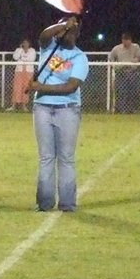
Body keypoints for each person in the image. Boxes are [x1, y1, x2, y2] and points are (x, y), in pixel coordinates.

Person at [27, 16, 88, 212]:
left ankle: (67, 203)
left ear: (76, 34)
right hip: (42, 108)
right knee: (46, 158)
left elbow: (71, 87)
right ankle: (44, 203)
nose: (63, 33)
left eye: (69, 30)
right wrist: (62, 25)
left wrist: (41, 87)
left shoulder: (80, 58)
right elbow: (43, 35)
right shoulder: (49, 46)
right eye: (61, 30)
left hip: (68, 109)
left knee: (66, 158)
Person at [107, 31, 140, 113]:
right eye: (124, 40)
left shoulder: (136, 47)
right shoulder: (117, 48)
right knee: (121, 91)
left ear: (130, 40)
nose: (125, 42)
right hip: (120, 72)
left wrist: (132, 62)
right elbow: (111, 58)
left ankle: (131, 109)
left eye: (127, 40)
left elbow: (138, 57)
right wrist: (115, 66)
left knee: (132, 91)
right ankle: (120, 109)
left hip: (132, 72)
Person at [8, 37, 37, 112]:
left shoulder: (32, 50)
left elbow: (31, 59)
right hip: (19, 71)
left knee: (26, 88)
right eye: (24, 43)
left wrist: (22, 58)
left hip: (29, 71)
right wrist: (21, 50)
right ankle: (14, 105)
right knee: (17, 87)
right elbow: (15, 57)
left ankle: (24, 106)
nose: (25, 44)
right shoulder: (18, 50)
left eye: (27, 43)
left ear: (29, 44)